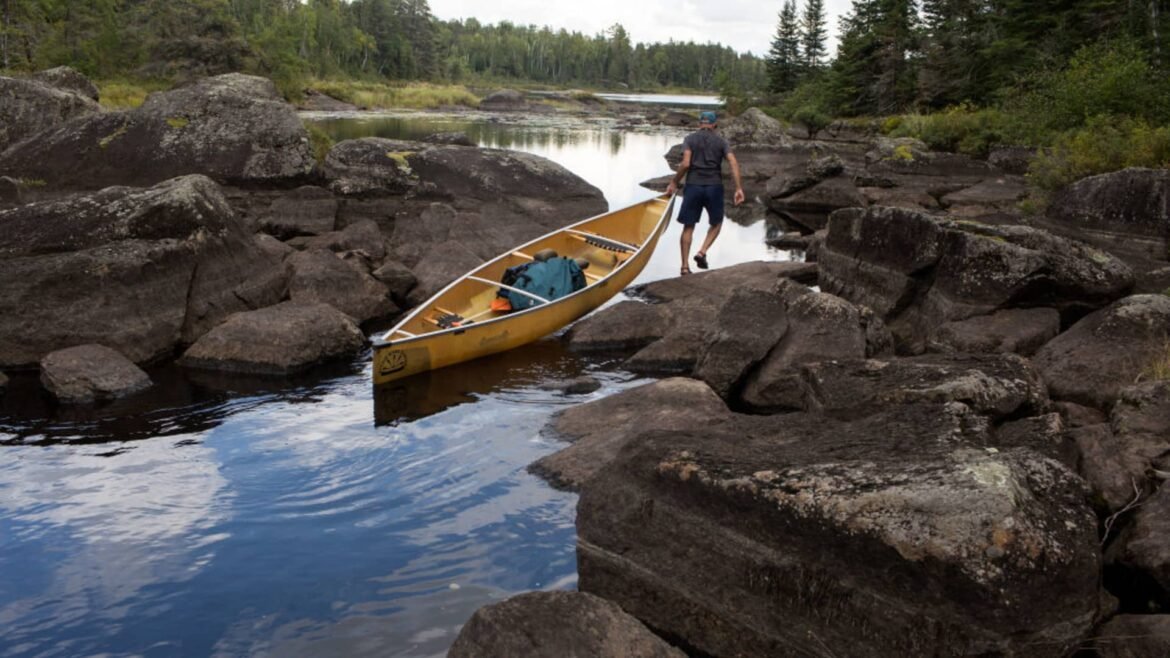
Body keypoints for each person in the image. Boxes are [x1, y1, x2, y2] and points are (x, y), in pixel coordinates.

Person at [665, 110, 744, 275]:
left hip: (693, 185)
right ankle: (702, 252)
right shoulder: (721, 141)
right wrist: (738, 188)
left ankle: (685, 267)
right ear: (714, 125)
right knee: (716, 223)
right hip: (714, 187)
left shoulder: (690, 139)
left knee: (689, 226)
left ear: (700, 123)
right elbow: (733, 162)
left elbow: (686, 163)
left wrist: (674, 181)